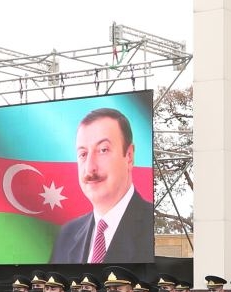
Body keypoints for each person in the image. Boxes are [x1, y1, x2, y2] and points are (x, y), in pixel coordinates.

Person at [48, 107, 156, 264]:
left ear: (129, 156)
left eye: (103, 150)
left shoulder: (151, 224)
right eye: (83, 154)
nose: (90, 167)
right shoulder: (67, 235)